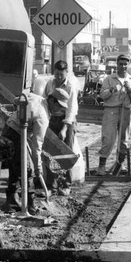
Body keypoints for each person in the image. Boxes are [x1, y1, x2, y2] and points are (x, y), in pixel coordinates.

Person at [1, 92, 50, 212]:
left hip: (8, 129)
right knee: (27, 170)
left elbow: (17, 100)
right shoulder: (42, 117)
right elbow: (36, 146)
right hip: (17, 134)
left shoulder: (36, 97)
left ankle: (11, 203)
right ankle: (30, 205)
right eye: (60, 107)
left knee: (15, 168)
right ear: (53, 102)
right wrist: (38, 168)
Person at [95, 54, 131, 175]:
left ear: (129, 65)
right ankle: (102, 166)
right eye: (120, 64)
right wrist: (111, 90)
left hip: (125, 111)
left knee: (124, 139)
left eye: (125, 64)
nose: (123, 66)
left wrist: (130, 90)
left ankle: (120, 164)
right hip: (111, 111)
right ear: (117, 65)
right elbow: (101, 95)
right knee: (108, 138)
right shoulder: (109, 79)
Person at [43, 60, 78, 193]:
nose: (58, 77)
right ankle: (51, 184)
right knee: (48, 151)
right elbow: (45, 101)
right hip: (52, 119)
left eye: (61, 75)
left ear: (66, 73)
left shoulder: (70, 86)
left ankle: (66, 184)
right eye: (56, 74)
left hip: (67, 120)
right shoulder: (50, 83)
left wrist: (64, 129)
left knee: (66, 152)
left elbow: (71, 110)